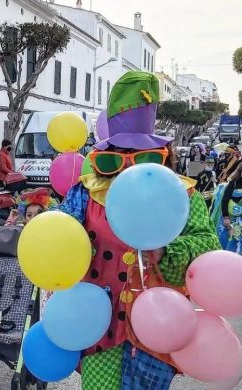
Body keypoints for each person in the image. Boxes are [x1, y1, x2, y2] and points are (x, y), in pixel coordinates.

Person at [59, 72, 219, 389]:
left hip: (157, 331)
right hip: (99, 327)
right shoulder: (83, 192)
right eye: (115, 156)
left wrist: (167, 251)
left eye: (144, 156)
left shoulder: (182, 195)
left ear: (162, 157)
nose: (127, 166)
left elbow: (206, 247)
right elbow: (60, 236)